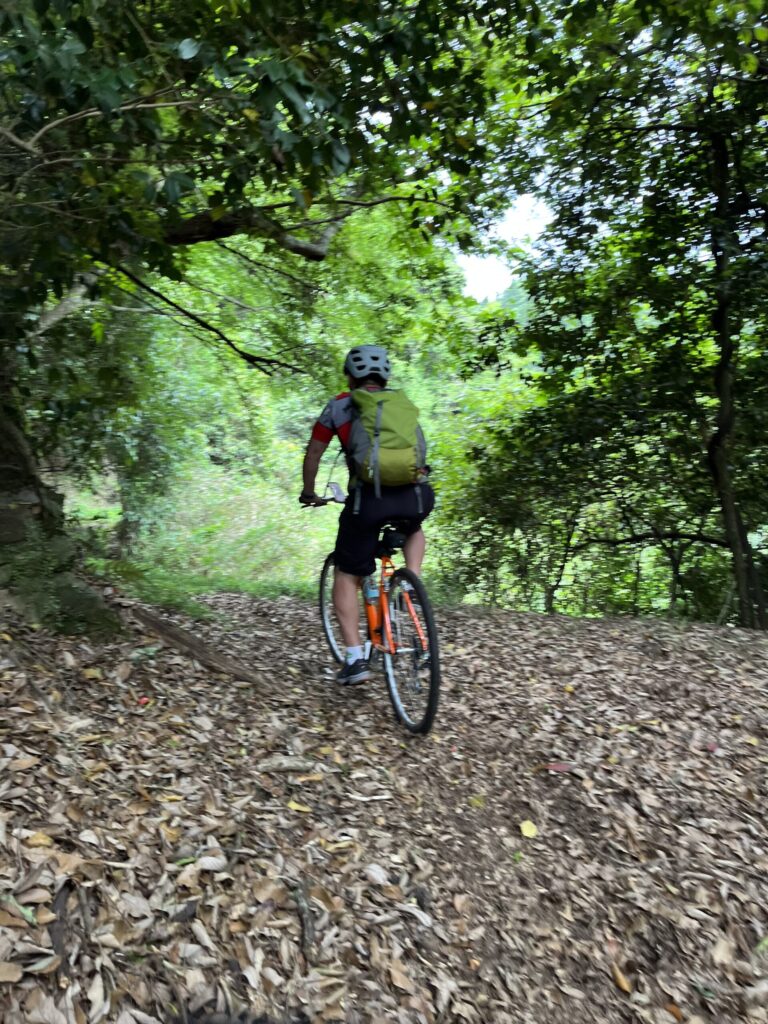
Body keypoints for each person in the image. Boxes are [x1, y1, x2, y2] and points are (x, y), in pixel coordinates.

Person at [299, 345, 435, 684]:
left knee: (347, 573)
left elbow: (315, 452)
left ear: (350, 376)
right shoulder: (402, 405)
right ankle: (411, 582)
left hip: (368, 501)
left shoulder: (339, 406)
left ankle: (355, 659)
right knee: (414, 526)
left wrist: (309, 491)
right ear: (385, 376)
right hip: (415, 496)